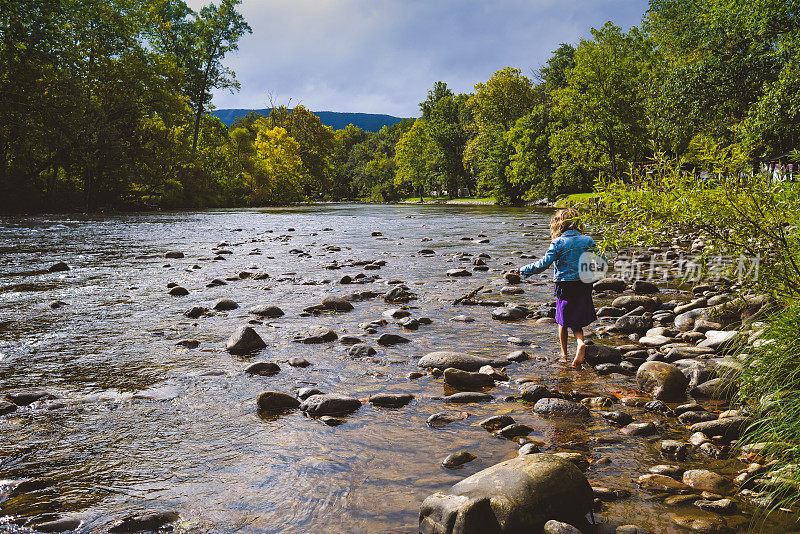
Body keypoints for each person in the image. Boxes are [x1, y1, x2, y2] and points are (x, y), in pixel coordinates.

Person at [512, 208, 597, 368]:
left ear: (559, 225)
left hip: (565, 284)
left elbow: (543, 264)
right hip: (584, 283)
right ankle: (580, 343)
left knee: (562, 319)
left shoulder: (558, 243)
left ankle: (564, 354)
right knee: (577, 318)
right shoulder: (588, 240)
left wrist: (524, 269)